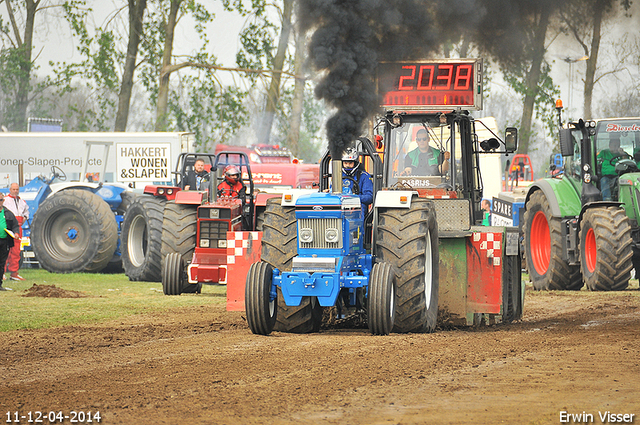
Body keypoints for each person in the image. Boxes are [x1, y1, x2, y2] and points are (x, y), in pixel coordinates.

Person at [4, 183, 29, 281]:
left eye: (17, 189)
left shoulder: (22, 201)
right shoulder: (5, 200)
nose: (15, 191)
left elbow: (26, 212)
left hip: (18, 228)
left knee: (16, 251)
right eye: (13, 189)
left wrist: (24, 218)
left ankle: (14, 273)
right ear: (10, 189)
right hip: (8, 228)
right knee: (6, 251)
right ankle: (2, 272)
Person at [0, 192, 20, 290]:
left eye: (0, 200)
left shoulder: (8, 213)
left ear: (3, 201)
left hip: (4, 241)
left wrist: (16, 233)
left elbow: (15, 225)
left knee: (1, 263)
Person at [597, 135, 626, 201]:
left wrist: (623, 154)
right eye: (614, 146)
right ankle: (607, 199)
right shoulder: (604, 153)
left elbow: (626, 163)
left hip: (618, 176)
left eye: (617, 146)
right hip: (606, 176)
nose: (616, 148)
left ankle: (622, 199)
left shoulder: (622, 154)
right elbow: (596, 161)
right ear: (610, 145)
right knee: (604, 181)